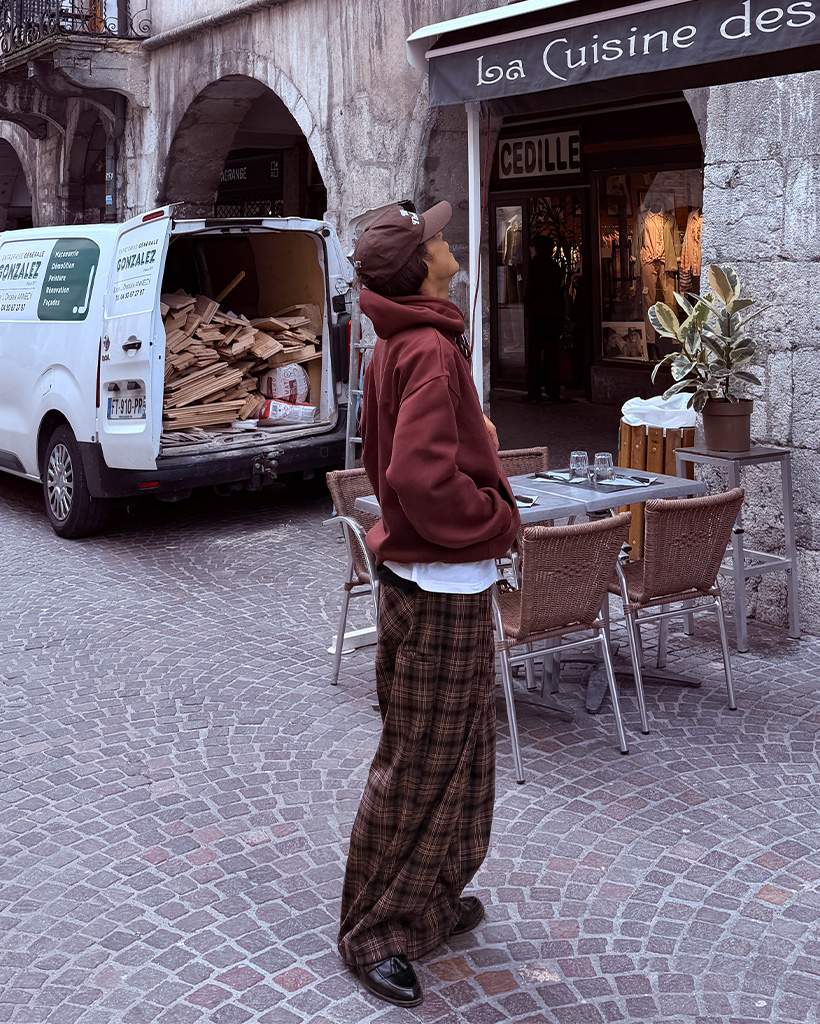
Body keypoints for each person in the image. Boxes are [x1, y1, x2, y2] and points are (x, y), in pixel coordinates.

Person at [338, 201, 520, 1007]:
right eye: (438, 239)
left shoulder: (403, 343)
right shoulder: (428, 349)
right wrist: (494, 517)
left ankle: (429, 903)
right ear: (419, 267)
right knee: (420, 767)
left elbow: (393, 462)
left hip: (433, 581)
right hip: (440, 584)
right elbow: (414, 475)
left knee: (463, 759)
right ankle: (375, 932)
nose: (448, 245)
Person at [523, 234, 565, 402]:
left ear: (537, 248)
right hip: (553, 315)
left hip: (537, 315)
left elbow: (531, 289)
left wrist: (526, 301)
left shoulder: (535, 265)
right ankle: (552, 389)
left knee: (534, 354)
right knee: (551, 353)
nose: (530, 250)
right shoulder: (554, 266)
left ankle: (534, 391)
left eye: (532, 247)